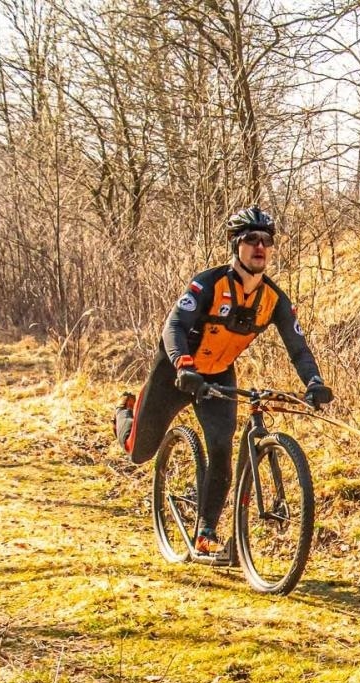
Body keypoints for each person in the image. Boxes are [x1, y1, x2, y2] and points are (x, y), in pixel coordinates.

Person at [115, 207, 333, 556]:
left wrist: (314, 381)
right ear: (236, 245)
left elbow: (298, 347)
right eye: (250, 239)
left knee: (220, 448)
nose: (260, 247)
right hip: (177, 371)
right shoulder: (209, 284)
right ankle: (126, 411)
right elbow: (173, 327)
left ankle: (205, 532)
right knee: (139, 452)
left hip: (218, 375)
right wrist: (184, 365)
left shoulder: (273, 299)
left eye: (266, 241)